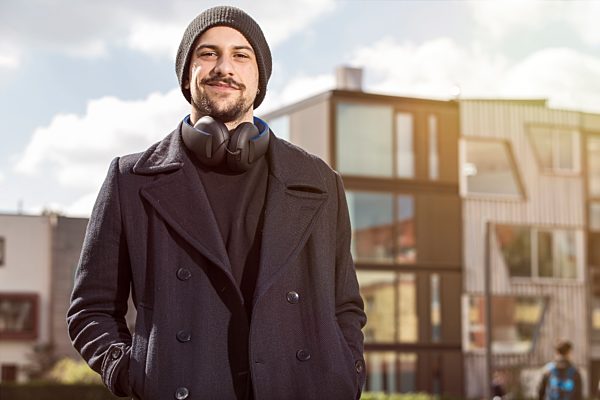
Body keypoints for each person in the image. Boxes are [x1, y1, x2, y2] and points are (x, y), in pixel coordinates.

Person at [66, 5, 366, 400]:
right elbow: (91, 309)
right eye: (208, 53)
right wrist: (132, 372)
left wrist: (346, 373)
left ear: (260, 79)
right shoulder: (131, 180)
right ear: (186, 75)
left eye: (241, 55)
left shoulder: (319, 181)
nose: (224, 67)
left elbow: (345, 305)